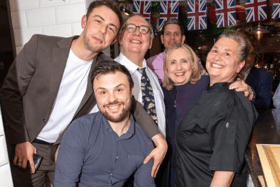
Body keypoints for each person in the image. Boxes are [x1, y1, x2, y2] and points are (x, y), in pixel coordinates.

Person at [0, 1, 167, 186]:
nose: (103, 30)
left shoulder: (104, 67)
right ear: (84, 21)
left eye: (111, 28)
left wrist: (160, 141)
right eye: (98, 21)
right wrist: (20, 140)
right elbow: (10, 92)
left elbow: (129, 103)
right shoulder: (41, 46)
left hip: (63, 150)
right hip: (29, 147)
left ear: (113, 39)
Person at [174, 31, 258, 187]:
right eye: (215, 50)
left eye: (227, 53)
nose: (218, 57)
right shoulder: (209, 90)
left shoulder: (232, 103)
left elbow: (225, 172)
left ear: (239, 65)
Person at [54, 61, 155, 187]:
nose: (112, 99)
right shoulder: (80, 130)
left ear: (131, 91)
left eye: (119, 90)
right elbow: (64, 183)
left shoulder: (145, 143)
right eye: (103, 92)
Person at [115, 14, 165, 138]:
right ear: (120, 39)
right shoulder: (108, 74)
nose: (137, 33)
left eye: (143, 30)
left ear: (150, 43)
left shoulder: (152, 76)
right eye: (131, 28)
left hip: (160, 154)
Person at [146, 19, 205, 83]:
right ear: (162, 39)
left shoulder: (194, 60)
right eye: (168, 34)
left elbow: (205, 83)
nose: (172, 38)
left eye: (176, 34)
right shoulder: (150, 63)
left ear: (183, 39)